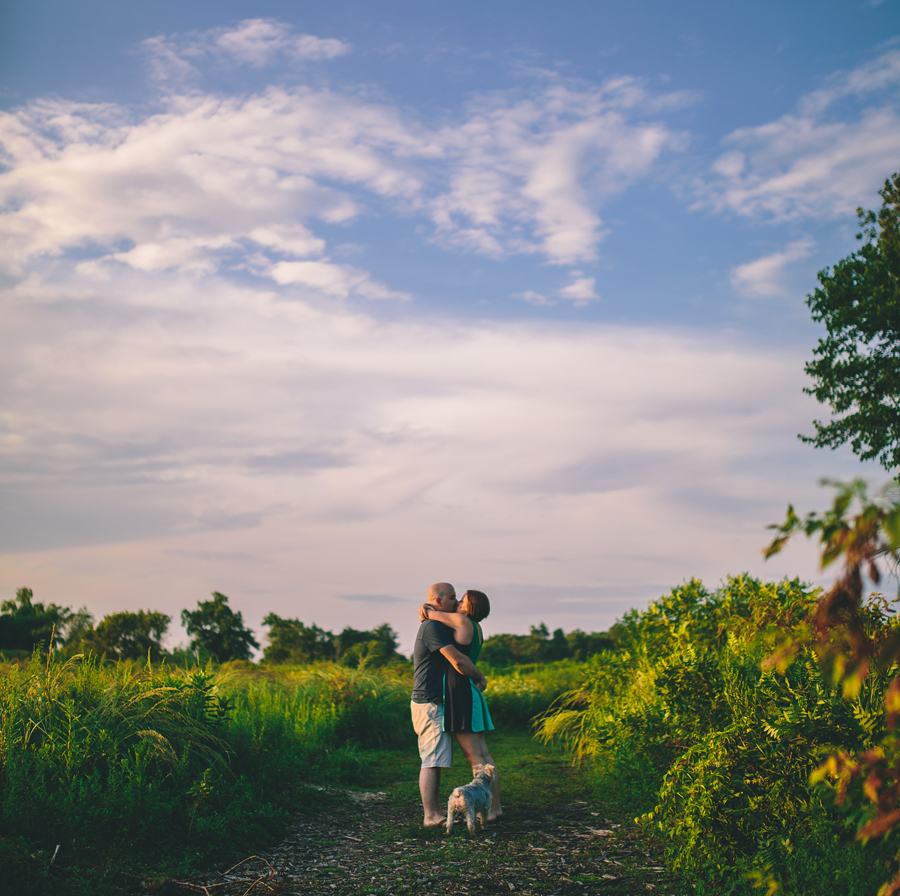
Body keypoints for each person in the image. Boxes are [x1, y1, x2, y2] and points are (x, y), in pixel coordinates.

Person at [418, 589, 503, 820]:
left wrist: (427, 608)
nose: (457, 602)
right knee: (484, 755)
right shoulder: (476, 627)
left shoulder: (462, 619)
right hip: (469, 691)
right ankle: (496, 807)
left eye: (461, 599)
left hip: (461, 691)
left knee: (475, 756)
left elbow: (431, 614)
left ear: (469, 605)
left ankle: (490, 809)